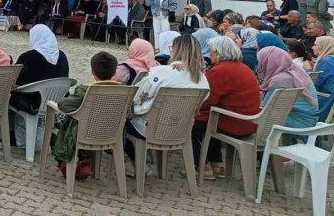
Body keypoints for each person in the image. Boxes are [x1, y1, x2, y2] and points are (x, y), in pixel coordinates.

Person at [125, 35, 208, 177]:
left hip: (150, 128)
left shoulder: (161, 72)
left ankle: (134, 164)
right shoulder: (202, 80)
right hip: (180, 129)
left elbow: (137, 97)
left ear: (176, 50)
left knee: (121, 123)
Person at [193, 36, 261, 180]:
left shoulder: (222, 70)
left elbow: (206, 100)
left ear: (218, 53)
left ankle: (203, 166)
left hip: (235, 123)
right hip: (248, 121)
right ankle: (217, 164)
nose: (209, 55)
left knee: (190, 124)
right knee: (208, 119)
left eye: (211, 52)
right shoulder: (242, 67)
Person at [50, 51, 120, 180]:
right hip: (111, 133)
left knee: (57, 124)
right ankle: (84, 161)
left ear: (93, 71)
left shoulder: (85, 91)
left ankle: (64, 162)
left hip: (83, 133)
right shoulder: (123, 91)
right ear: (114, 72)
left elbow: (63, 105)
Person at [9, 26, 69, 149]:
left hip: (31, 103)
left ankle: (11, 136)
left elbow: (13, 79)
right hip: (54, 102)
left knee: (6, 95)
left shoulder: (29, 57)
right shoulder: (62, 56)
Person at [258, 46, 318, 129]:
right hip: (310, 118)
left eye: (261, 61)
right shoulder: (297, 71)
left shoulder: (280, 80)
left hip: (299, 122)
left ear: (267, 61)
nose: (260, 65)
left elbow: (265, 108)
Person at [310, 37, 334, 120]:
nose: (312, 47)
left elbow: (313, 83)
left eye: (315, 45)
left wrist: (308, 69)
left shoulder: (326, 61)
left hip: (327, 100)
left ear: (324, 46)